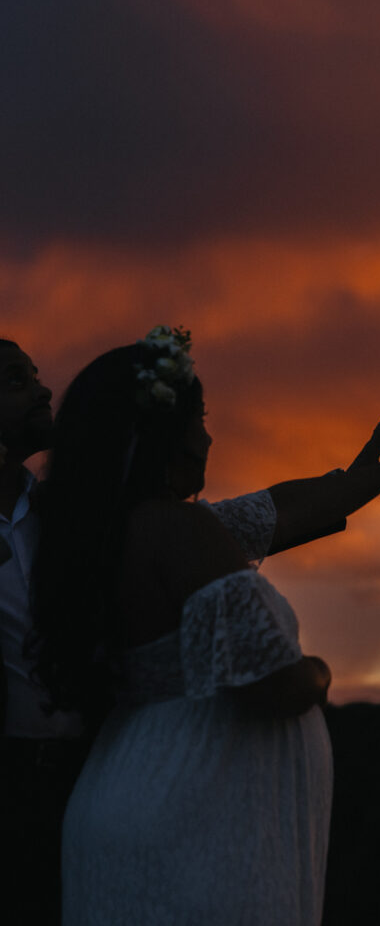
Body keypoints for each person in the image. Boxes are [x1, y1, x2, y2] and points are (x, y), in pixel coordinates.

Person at [31, 326, 380, 925]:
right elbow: (271, 685)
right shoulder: (178, 530)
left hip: (127, 791)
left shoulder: (91, 539)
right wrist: (318, 673)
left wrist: (378, 474)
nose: (208, 437)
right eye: (198, 419)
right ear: (165, 433)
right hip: (192, 815)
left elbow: (280, 510)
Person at [0, 338, 88, 925]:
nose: (44, 390)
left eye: (34, 376)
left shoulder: (65, 510)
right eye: (16, 380)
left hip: (91, 775)